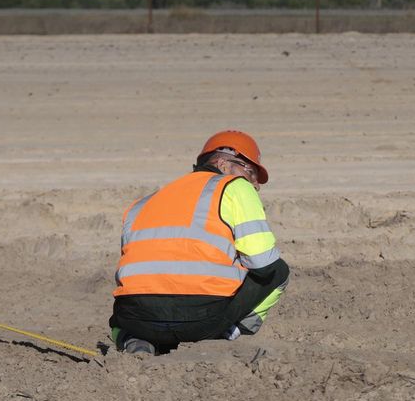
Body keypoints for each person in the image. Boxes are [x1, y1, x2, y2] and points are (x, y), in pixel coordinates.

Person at [109, 130, 289, 355]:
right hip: (202, 320)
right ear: (223, 164)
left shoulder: (141, 204)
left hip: (137, 319)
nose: (255, 184)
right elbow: (263, 264)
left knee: (122, 313)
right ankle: (226, 336)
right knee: (278, 270)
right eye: (250, 172)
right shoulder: (234, 187)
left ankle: (132, 340)